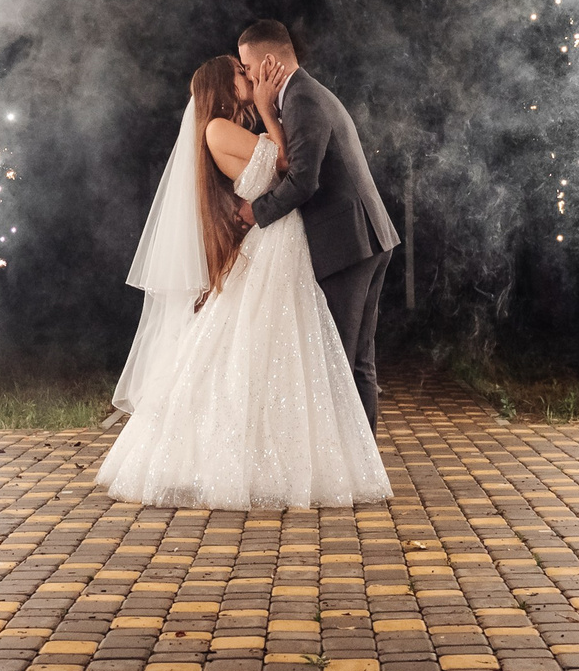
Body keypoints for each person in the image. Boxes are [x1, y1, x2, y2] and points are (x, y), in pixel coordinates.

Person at [98, 50, 391, 509]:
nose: (250, 78)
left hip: (282, 237)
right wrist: (272, 110)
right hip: (276, 239)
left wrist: (266, 110)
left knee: (290, 351)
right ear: (222, 85)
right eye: (241, 75)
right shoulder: (217, 128)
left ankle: (315, 456)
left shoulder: (228, 128)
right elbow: (282, 163)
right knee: (267, 350)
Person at [234, 19, 400, 427]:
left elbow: (304, 181)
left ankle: (351, 472)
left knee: (340, 361)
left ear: (268, 61)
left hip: (348, 244)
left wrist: (258, 211)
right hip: (369, 239)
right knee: (359, 361)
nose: (250, 77)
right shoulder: (305, 92)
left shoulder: (302, 99)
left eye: (249, 67)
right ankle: (365, 471)